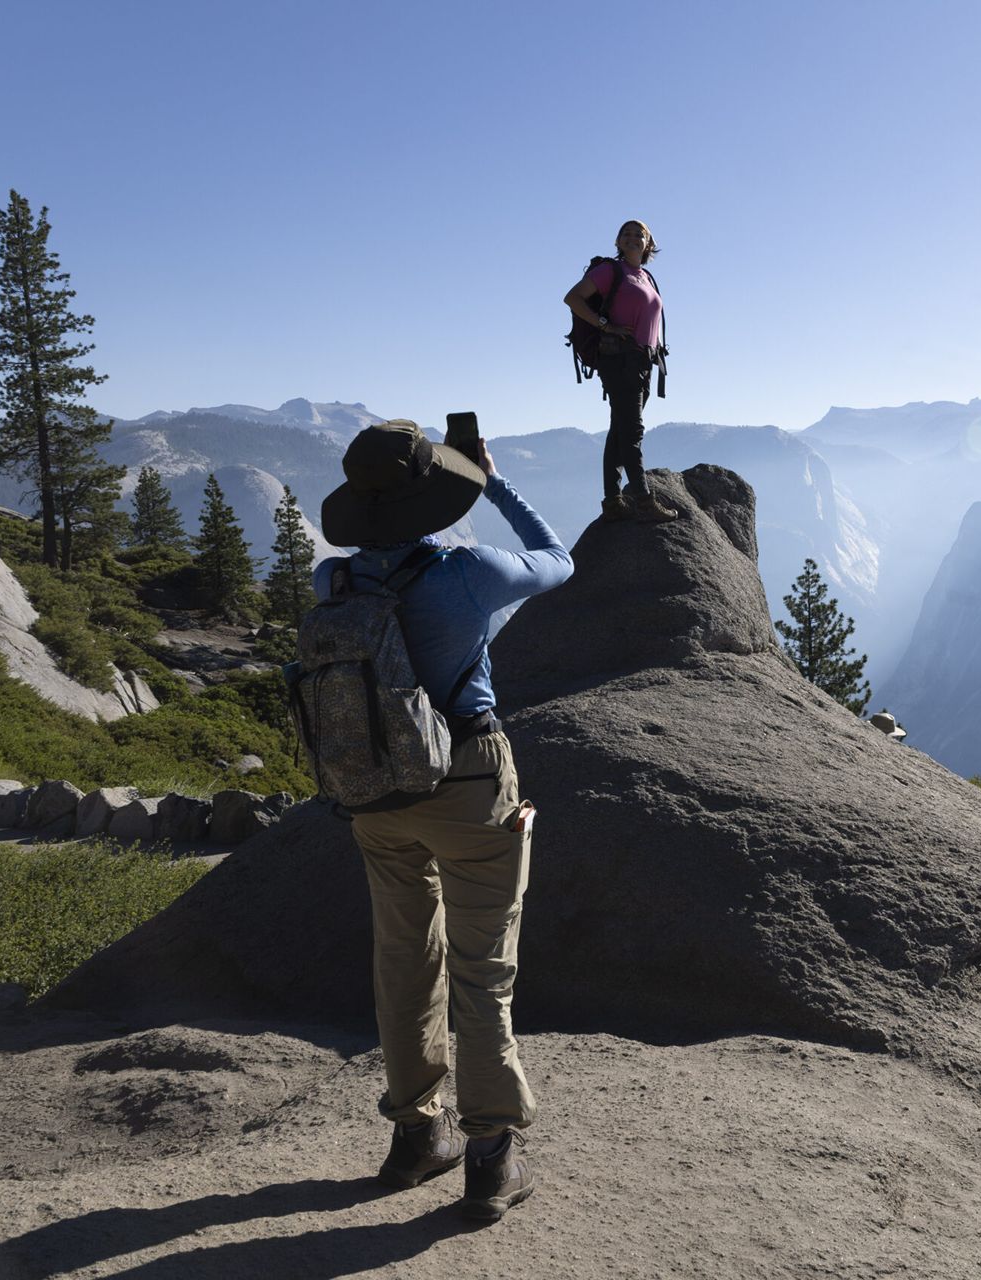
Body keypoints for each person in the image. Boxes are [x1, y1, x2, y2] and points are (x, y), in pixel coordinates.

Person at [316, 419, 573, 1221]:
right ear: (432, 493)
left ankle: (415, 1137)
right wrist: (489, 479)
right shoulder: (468, 574)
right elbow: (559, 559)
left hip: (376, 796)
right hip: (468, 783)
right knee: (482, 972)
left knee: (402, 959)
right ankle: (491, 1157)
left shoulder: (334, 584)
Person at [563, 219, 678, 524]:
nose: (631, 237)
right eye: (625, 233)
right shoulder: (610, 271)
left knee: (620, 429)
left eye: (638, 234)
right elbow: (572, 298)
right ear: (618, 241)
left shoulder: (646, 277)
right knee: (632, 431)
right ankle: (642, 499)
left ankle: (613, 500)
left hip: (643, 361)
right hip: (620, 358)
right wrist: (603, 324)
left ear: (648, 244)